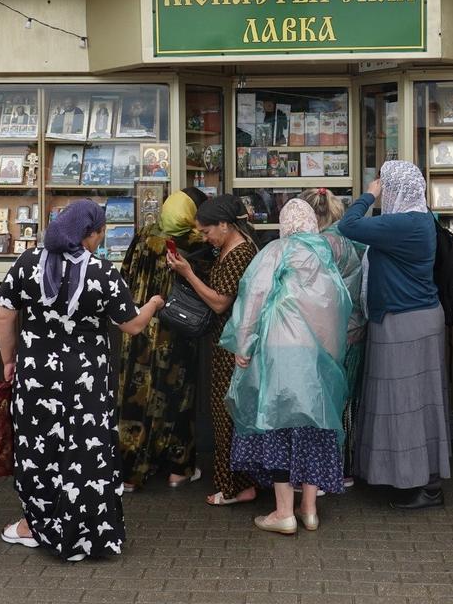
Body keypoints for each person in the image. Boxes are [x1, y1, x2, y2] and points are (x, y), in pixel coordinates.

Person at [0, 200, 165, 561]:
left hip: (37, 374)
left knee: (39, 448)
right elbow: (132, 324)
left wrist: (9, 361)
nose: (102, 237)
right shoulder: (102, 272)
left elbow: (3, 316)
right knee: (87, 450)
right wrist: (153, 303)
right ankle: (89, 532)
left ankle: (36, 525)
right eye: (101, 231)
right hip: (85, 377)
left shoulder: (28, 263)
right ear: (90, 234)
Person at [221, 199, 351, 534]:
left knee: (278, 425)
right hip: (320, 357)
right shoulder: (327, 255)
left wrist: (243, 343)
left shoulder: (277, 251)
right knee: (312, 428)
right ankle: (309, 509)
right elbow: (340, 306)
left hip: (280, 351)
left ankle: (283, 513)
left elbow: (254, 296)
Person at [337, 160, 448, 510]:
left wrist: (368, 195)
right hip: (407, 319)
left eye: (386, 185)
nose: (383, 191)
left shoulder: (406, 223)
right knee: (407, 403)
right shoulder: (419, 219)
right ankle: (408, 477)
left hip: (406, 323)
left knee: (407, 404)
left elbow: (348, 225)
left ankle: (424, 485)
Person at [165, 195, 259, 507]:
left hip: (232, 344)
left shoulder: (238, 254)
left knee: (226, 415)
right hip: (230, 341)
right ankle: (238, 483)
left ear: (224, 224)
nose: (205, 238)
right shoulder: (238, 245)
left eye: (207, 232)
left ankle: (234, 487)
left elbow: (220, 302)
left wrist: (188, 273)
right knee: (228, 413)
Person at [118, 188, 212, 491]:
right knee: (177, 400)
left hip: (139, 328)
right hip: (177, 333)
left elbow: (124, 274)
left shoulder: (144, 235)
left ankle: (131, 473)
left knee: (136, 399)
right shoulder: (195, 243)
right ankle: (177, 470)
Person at [299, 188, 367, 481]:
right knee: (348, 400)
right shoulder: (349, 238)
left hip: (328, 335)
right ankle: (346, 468)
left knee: (328, 401)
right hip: (354, 330)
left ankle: (328, 469)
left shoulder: (320, 245)